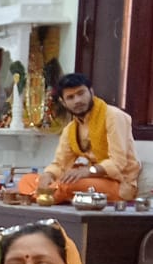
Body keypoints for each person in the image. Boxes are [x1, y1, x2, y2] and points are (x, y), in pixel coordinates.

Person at [37, 72, 141, 204]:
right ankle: (45, 194)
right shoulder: (71, 129)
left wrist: (89, 171)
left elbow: (118, 163)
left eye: (81, 93)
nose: (77, 101)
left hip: (119, 184)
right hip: (90, 181)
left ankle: (42, 196)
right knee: (29, 180)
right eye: (70, 97)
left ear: (91, 92)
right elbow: (60, 164)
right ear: (63, 103)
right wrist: (48, 175)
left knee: (66, 186)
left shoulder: (113, 116)